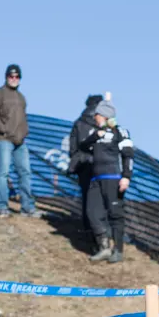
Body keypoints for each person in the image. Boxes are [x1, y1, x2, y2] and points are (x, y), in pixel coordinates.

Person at [78, 99, 134, 263]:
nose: (94, 117)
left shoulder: (121, 132)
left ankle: (118, 250)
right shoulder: (94, 133)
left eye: (96, 114)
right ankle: (104, 247)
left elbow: (128, 155)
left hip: (114, 178)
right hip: (95, 179)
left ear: (103, 115)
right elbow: (82, 146)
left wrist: (126, 176)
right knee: (92, 212)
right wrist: (96, 135)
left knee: (115, 214)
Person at [0, 64, 41, 218]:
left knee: (25, 173)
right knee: (3, 172)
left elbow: (22, 118)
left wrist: (24, 132)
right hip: (3, 139)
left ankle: (27, 207)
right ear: (6, 77)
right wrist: (3, 129)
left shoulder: (21, 97)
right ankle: (2, 206)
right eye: (11, 76)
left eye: (17, 77)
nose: (14, 79)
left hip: (20, 141)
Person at [68, 94, 103, 231]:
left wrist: (77, 160)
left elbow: (72, 147)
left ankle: (87, 228)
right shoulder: (104, 124)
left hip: (82, 165)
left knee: (86, 197)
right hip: (102, 166)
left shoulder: (79, 123)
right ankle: (100, 232)